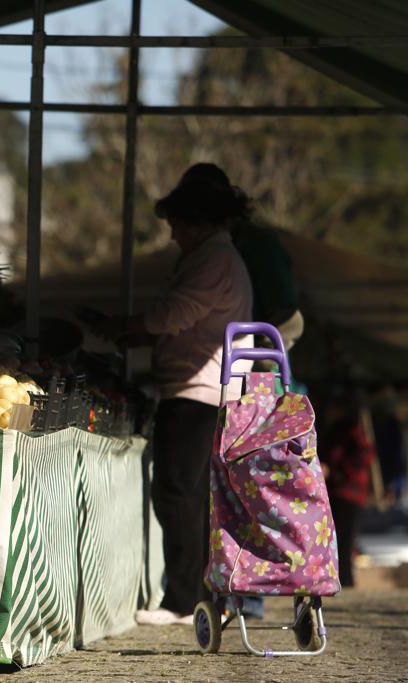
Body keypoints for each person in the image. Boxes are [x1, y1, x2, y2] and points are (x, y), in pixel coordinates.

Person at [95, 177, 253, 626]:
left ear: (200, 222)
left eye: (179, 224)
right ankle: (192, 595)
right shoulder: (214, 256)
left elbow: (173, 316)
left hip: (199, 391)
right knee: (183, 495)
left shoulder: (215, 259)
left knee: (178, 494)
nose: (173, 235)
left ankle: (185, 600)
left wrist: (129, 327)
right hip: (195, 388)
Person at [179, 163, 303, 350]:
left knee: (263, 377)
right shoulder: (196, 252)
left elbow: (286, 319)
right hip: (209, 364)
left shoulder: (259, 246)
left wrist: (257, 362)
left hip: (259, 362)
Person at [320, 389, 376, 586]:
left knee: (345, 537)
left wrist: (336, 471)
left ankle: (346, 579)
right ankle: (339, 577)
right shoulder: (336, 429)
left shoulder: (351, 430)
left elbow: (364, 455)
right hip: (338, 490)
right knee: (336, 536)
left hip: (349, 492)